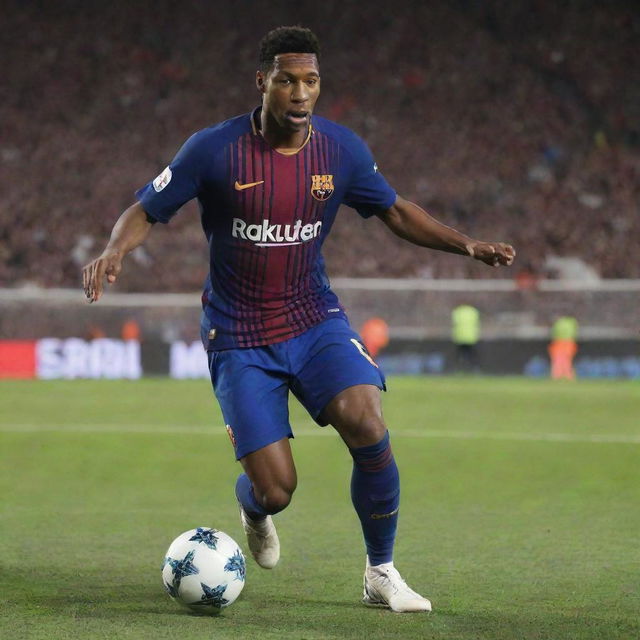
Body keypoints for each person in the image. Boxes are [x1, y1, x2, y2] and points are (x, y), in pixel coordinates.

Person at [82, 26, 515, 613]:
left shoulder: (341, 151)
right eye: (287, 80)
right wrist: (114, 251)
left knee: (366, 420)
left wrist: (466, 245)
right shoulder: (213, 149)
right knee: (277, 490)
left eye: (311, 81)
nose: (300, 92)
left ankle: (380, 572)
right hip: (239, 337)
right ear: (263, 82)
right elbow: (145, 209)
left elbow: (395, 211)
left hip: (314, 319)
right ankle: (255, 508)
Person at [451, 304, 481, 371]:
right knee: (472, 355)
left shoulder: (457, 312)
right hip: (471, 337)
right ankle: (475, 369)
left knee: (459, 355)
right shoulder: (474, 311)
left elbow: (454, 323)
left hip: (460, 337)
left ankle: (458, 369)